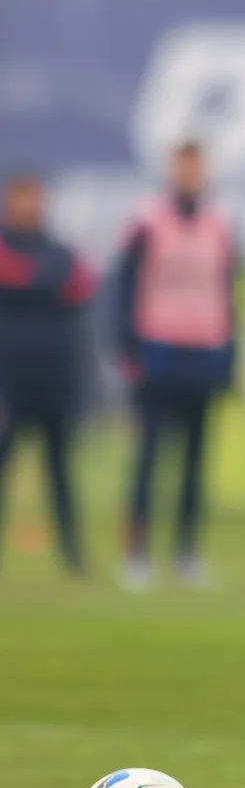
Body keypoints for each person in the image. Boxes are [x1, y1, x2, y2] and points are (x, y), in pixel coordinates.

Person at [115, 141, 237, 588]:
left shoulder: (219, 224)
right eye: (183, 168)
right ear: (171, 171)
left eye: (196, 168)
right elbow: (123, 286)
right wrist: (127, 350)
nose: (190, 176)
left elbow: (228, 293)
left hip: (203, 350)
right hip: (158, 350)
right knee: (148, 456)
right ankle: (137, 554)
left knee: (195, 461)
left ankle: (186, 552)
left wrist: (230, 356)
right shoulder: (147, 221)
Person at [0, 172, 98, 573]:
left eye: (35, 197)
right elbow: (38, 282)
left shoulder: (61, 250)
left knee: (60, 470)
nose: (28, 205)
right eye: (21, 197)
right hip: (8, 382)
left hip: (54, 380)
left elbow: (80, 286)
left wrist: (28, 285)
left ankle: (74, 556)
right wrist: (42, 285)